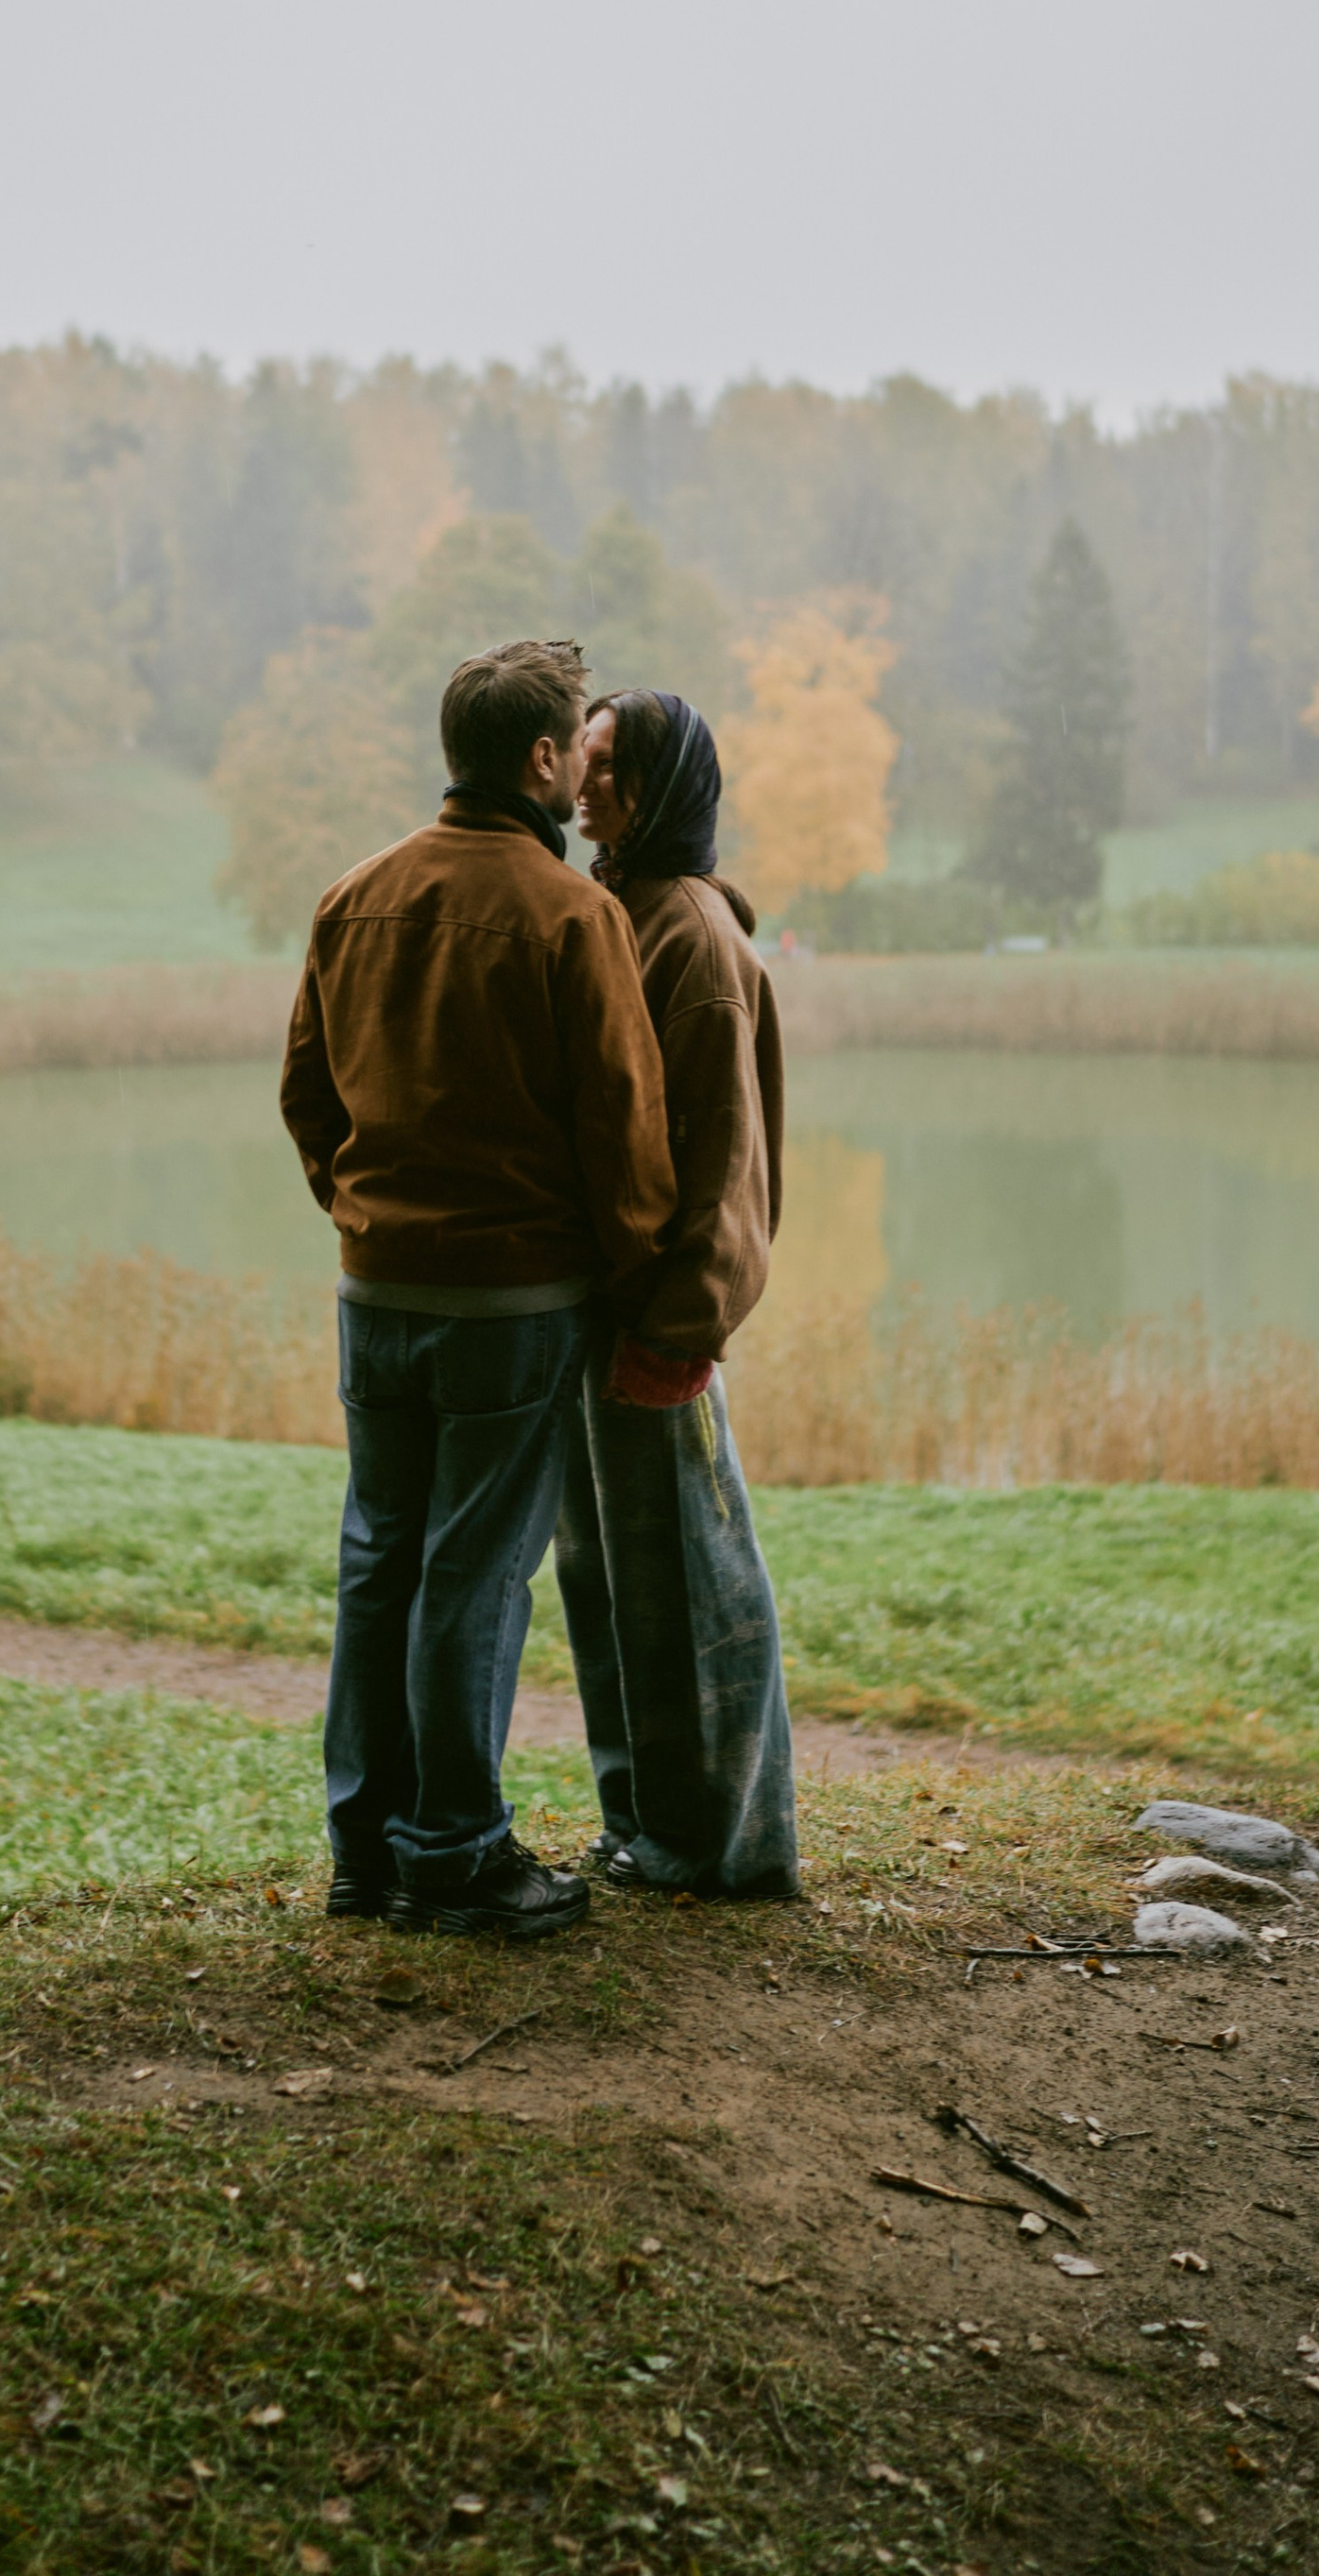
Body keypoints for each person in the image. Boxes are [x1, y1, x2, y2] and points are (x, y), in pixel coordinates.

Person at [280, 639, 677, 1941]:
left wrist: (361, 1213)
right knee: (472, 1576)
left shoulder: (355, 896)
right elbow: (625, 1133)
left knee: (377, 1559)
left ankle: (363, 1850)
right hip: (512, 1311)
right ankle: (452, 1849)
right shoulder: (575, 915)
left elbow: (306, 1096)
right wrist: (639, 1283)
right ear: (544, 760)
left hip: (374, 1294)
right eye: (575, 745)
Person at [557, 688, 800, 1901]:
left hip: (657, 1329)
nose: (584, 783)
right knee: (606, 1584)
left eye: (608, 766)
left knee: (692, 1595)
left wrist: (679, 1329)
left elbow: (726, 1170)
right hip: (599, 1318)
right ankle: (642, 1827)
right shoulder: (615, 904)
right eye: (582, 761)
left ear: (664, 789)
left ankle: (725, 1848)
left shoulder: (692, 940)